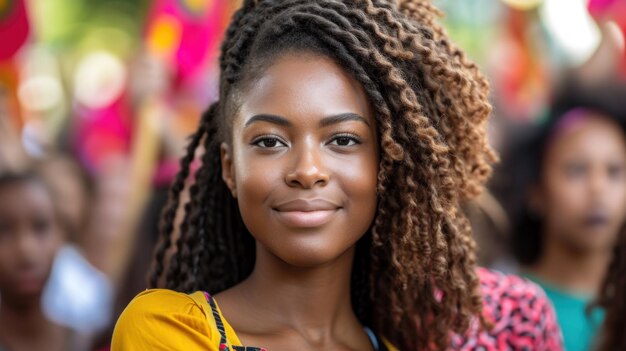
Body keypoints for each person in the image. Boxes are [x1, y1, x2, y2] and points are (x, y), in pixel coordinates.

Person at [112, 1, 560, 350]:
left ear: (386, 164)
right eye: (270, 141)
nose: (307, 171)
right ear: (230, 168)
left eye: (343, 140)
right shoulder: (165, 329)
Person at [499, 80, 626, 351]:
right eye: (576, 170)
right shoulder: (500, 309)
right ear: (536, 191)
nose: (598, 188)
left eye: (614, 171)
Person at [0, 171, 68, 351]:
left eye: (40, 226)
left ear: (62, 235)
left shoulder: (90, 341)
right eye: (4, 230)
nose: (26, 250)